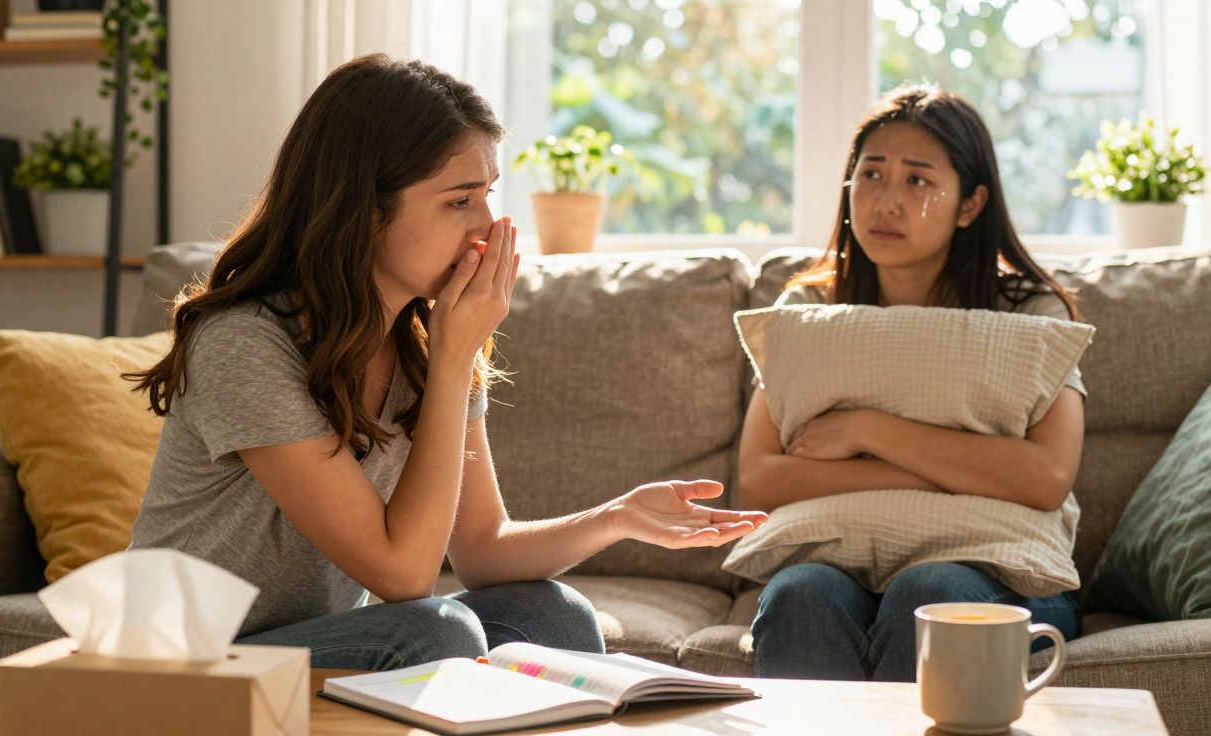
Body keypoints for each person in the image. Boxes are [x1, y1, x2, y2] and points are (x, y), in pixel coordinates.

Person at [125, 54, 767, 670]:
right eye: (459, 201)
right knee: (435, 630)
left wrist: (618, 517)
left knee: (553, 614)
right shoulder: (245, 344)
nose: (487, 226)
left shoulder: (421, 341)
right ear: (364, 211)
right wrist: (455, 361)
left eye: (488, 194)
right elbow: (401, 573)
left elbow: (482, 551)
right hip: (178, 662)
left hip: (301, 646)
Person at [738, 84, 1085, 682]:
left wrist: (866, 429)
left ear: (970, 205)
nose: (886, 202)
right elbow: (761, 478)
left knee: (931, 594)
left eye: (917, 181)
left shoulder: (1032, 314)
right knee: (799, 594)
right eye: (870, 175)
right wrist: (960, 474)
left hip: (999, 568)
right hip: (836, 559)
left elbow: (1046, 477)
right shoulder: (806, 308)